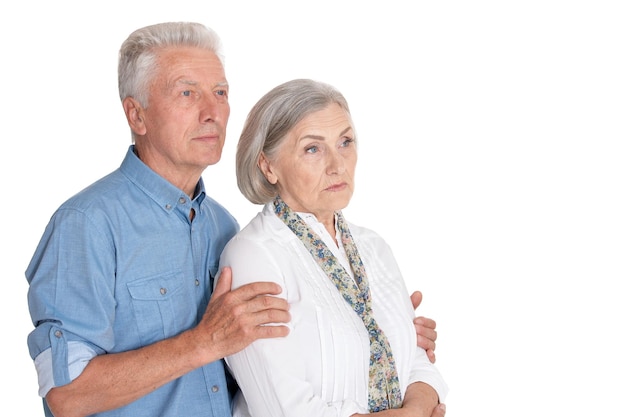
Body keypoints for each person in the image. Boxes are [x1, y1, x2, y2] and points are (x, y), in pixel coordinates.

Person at [25, 22, 442, 417]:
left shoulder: (221, 226)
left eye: (221, 92)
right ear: (137, 115)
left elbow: (260, 372)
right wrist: (201, 343)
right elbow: (67, 394)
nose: (212, 111)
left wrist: (378, 338)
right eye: (187, 94)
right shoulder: (86, 224)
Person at [219, 78, 448, 417]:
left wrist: (415, 408)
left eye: (345, 142)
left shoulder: (374, 247)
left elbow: (418, 361)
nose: (337, 164)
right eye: (313, 148)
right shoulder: (253, 256)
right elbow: (284, 409)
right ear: (268, 166)